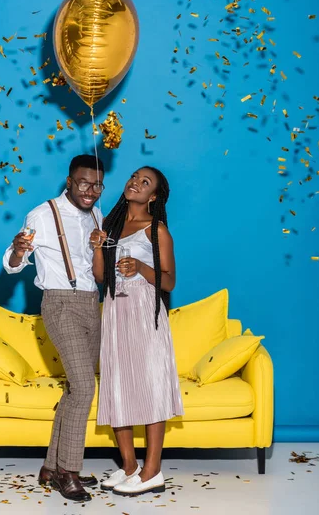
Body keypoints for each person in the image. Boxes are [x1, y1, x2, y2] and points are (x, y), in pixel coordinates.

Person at [3, 154, 104, 503]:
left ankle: (50, 466)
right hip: (60, 304)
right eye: (83, 183)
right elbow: (14, 264)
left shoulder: (96, 212)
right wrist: (17, 252)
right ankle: (68, 472)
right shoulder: (42, 215)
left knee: (75, 392)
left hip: (92, 304)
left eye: (96, 184)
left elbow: (94, 265)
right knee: (84, 387)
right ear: (69, 181)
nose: (90, 190)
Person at [90, 166, 184, 497]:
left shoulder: (156, 230)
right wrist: (97, 246)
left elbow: (169, 281)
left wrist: (143, 267)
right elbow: (101, 278)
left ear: (154, 196)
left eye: (145, 183)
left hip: (146, 314)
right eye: (134, 177)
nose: (136, 183)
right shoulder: (110, 225)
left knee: (151, 386)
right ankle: (130, 467)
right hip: (116, 311)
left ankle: (153, 470)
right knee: (118, 386)